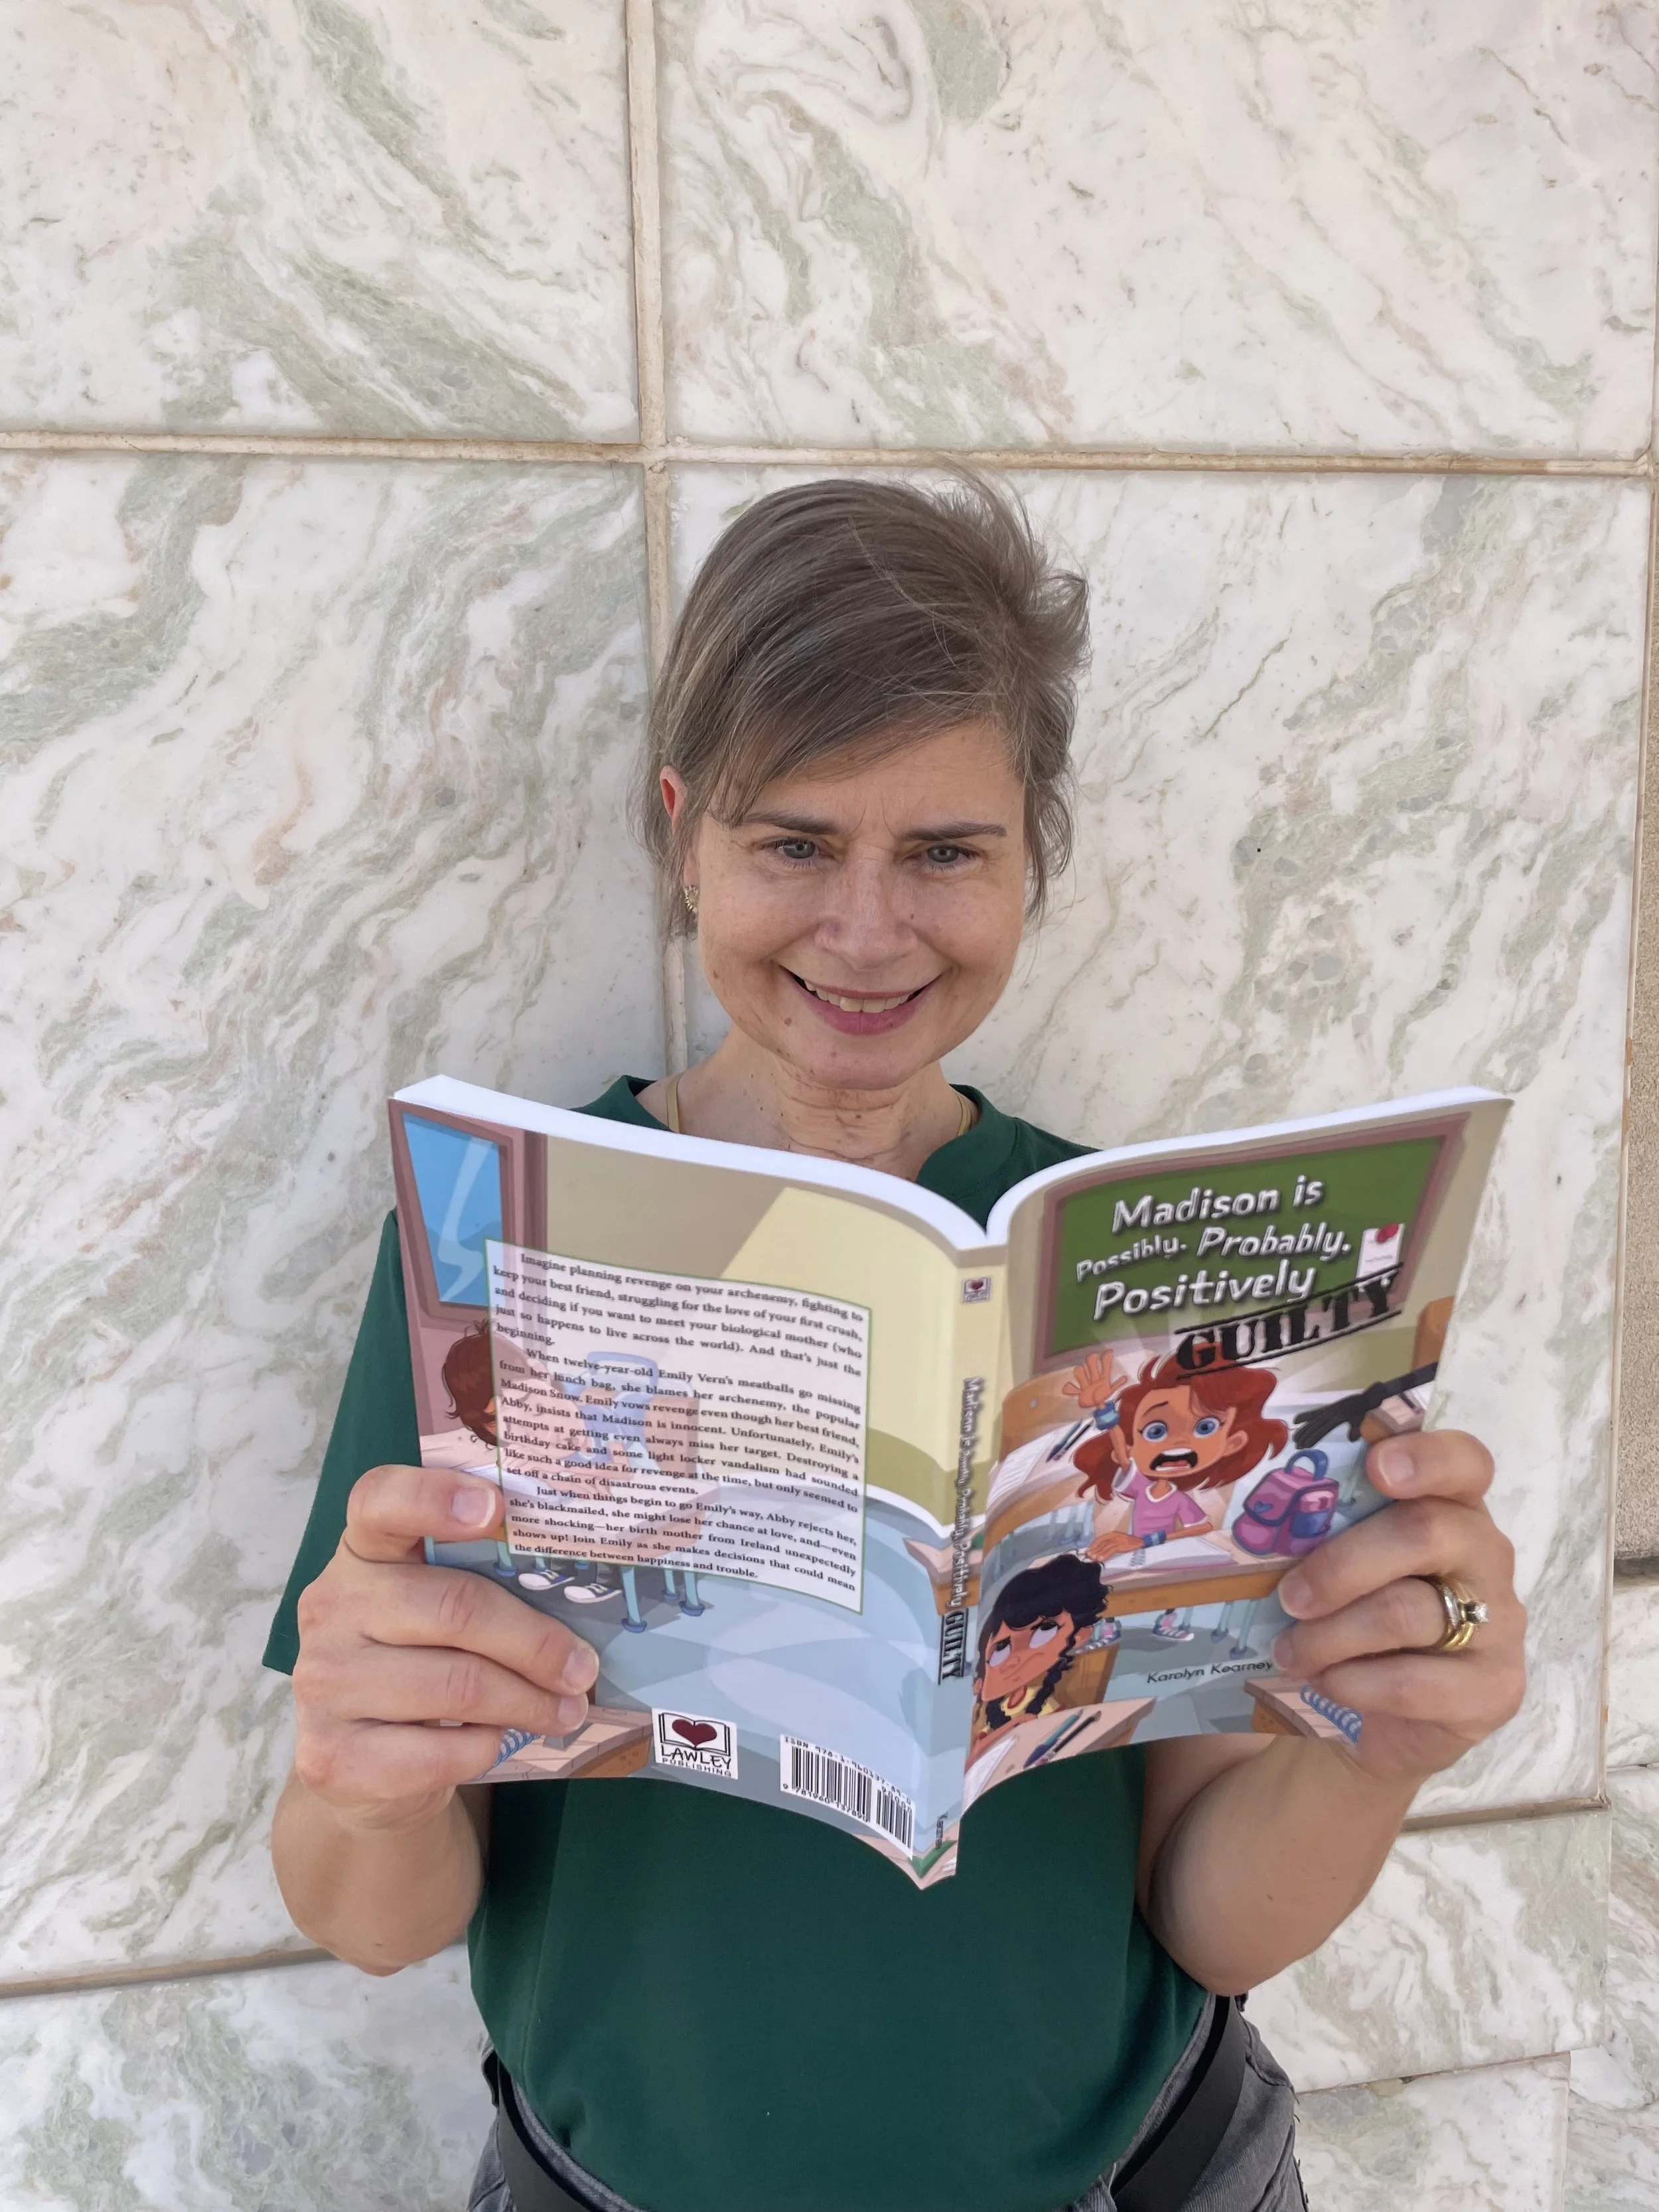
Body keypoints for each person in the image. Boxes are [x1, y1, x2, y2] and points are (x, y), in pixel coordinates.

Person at [265, 477, 1527, 2212]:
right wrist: (367, 1771)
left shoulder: (1128, 1258)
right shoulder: (496, 1237)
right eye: (792, 842)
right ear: (680, 832)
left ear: (1034, 855)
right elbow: (368, 1906)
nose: (867, 934)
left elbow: (1211, 1912)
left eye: (945, 851)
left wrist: (1379, 1745)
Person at [1069, 1351, 1291, 1645]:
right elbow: (1122, 1456)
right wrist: (1104, 1411)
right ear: (1136, 1444)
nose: (1180, 1442)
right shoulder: (1138, 1485)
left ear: (1232, 1443)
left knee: (1177, 1580)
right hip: (1132, 1553)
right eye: (1156, 1430)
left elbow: (1202, 1528)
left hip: (1157, 1552)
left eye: (1205, 1427)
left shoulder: (1178, 1499)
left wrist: (1149, 1541)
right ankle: (1108, 1627)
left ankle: (1167, 1621)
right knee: (1108, 1582)